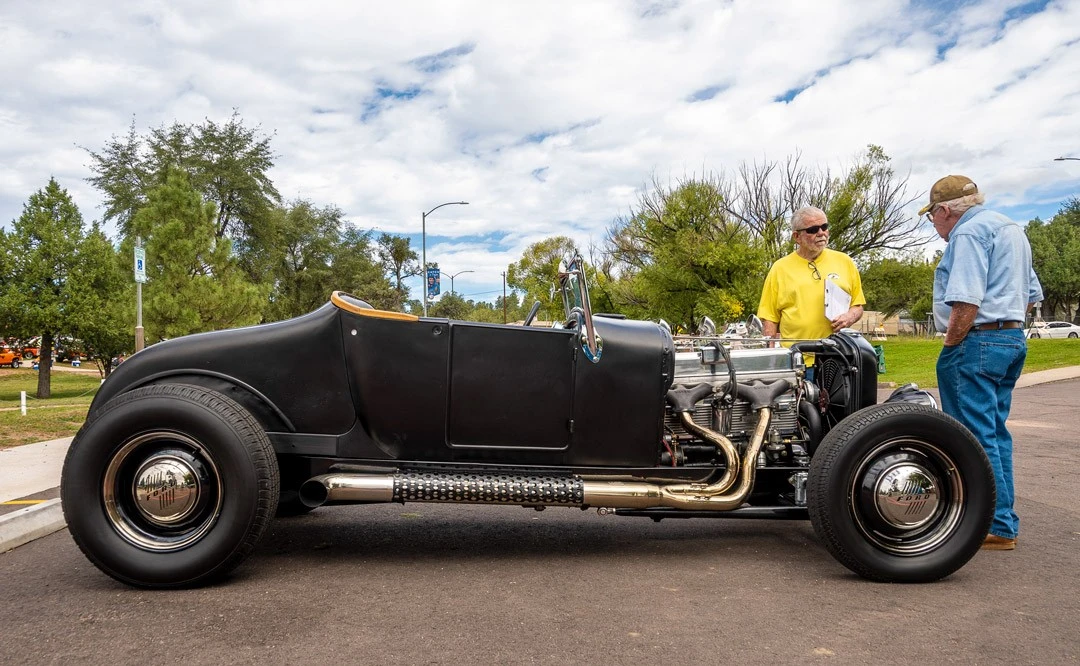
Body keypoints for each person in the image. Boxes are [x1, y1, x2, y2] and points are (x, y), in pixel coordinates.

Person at [924, 175, 1043, 551]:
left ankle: (990, 523)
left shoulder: (968, 233)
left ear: (944, 211)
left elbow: (966, 299)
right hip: (1010, 337)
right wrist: (1003, 320)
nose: (935, 225)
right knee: (994, 432)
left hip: (976, 340)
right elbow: (1032, 295)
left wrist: (952, 342)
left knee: (972, 436)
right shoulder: (1011, 229)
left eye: (932, 216)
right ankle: (1002, 519)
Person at [757, 206, 865, 345]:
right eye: (813, 230)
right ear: (797, 237)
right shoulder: (780, 268)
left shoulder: (845, 261)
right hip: (796, 356)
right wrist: (770, 356)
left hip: (838, 355)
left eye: (824, 227)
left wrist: (850, 317)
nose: (821, 233)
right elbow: (769, 318)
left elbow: (858, 305)